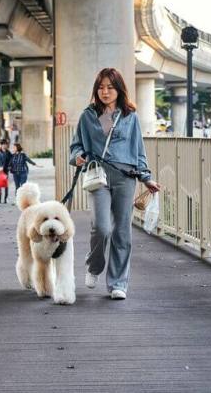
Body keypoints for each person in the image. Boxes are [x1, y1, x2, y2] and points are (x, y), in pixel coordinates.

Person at [69, 67, 161, 300]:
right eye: (100, 87)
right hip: (98, 174)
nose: (105, 92)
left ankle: (118, 283)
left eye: (110, 87)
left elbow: (138, 150)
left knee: (122, 231)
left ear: (119, 89)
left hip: (125, 176)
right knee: (101, 227)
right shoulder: (87, 115)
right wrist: (78, 156)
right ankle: (94, 265)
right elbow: (76, 146)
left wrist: (146, 177)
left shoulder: (130, 117)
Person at [0, 138, 14, 204]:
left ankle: (5, 198)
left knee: (6, 185)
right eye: (4, 144)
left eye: (6, 144)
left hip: (5, 170)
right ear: (1, 145)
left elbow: (12, 159)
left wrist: (10, 166)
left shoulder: (8, 152)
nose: (5, 146)